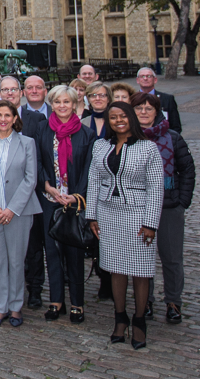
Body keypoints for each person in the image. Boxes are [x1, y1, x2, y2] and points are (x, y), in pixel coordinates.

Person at [86, 101, 164, 349]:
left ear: (131, 117)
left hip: (138, 215)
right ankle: (120, 318)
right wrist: (92, 216)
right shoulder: (100, 146)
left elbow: (155, 188)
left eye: (122, 116)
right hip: (108, 215)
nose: (118, 120)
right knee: (115, 268)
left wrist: (150, 222)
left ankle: (139, 321)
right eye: (113, 117)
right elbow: (93, 180)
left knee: (140, 270)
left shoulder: (148, 148)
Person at [0, 101, 41, 326]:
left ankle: (15, 307)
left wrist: (12, 209)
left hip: (19, 211)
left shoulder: (27, 143)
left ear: (15, 118)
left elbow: (31, 179)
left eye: (7, 115)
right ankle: (0, 307)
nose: (3, 119)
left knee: (16, 260)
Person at [132, 92, 194, 325]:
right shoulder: (127, 137)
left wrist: (182, 201)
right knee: (142, 257)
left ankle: (173, 302)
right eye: (139, 108)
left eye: (149, 108)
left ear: (157, 112)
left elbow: (187, 170)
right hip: (138, 206)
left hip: (169, 206)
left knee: (171, 257)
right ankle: (145, 299)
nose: (144, 112)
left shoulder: (173, 137)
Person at [37, 85, 94, 323]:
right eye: (58, 102)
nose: (62, 106)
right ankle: (56, 299)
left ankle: (77, 303)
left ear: (74, 104)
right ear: (52, 103)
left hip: (74, 202)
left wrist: (77, 195)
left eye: (67, 102)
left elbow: (89, 168)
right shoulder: (42, 129)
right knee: (52, 252)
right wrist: (47, 185)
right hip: (50, 199)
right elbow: (37, 161)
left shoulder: (85, 133)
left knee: (74, 252)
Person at [135, 68, 182, 132]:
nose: (145, 78)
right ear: (137, 80)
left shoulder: (167, 99)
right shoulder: (132, 99)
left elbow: (175, 126)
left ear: (155, 80)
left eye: (149, 76)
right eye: (142, 76)